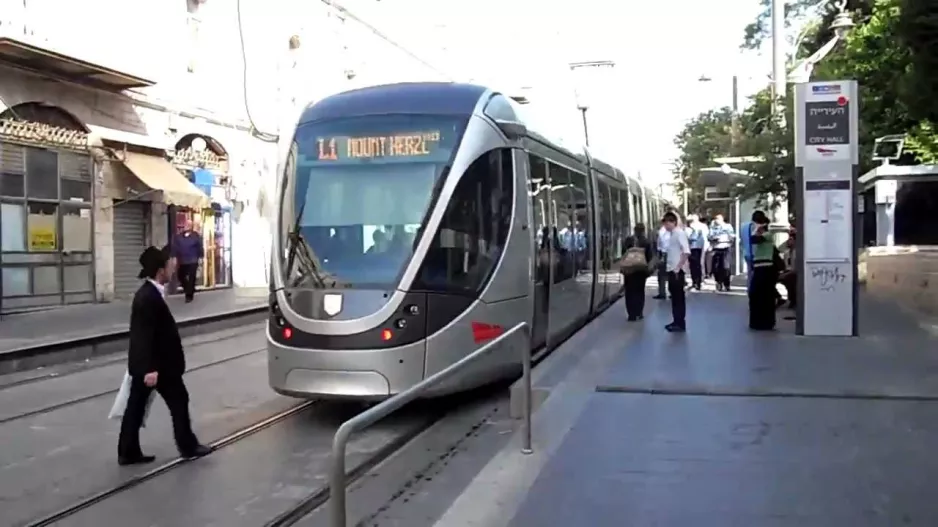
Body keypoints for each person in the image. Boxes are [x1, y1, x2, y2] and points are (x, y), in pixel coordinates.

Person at [118, 246, 213, 466]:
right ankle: (188, 446)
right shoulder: (147, 298)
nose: (173, 267)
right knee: (178, 401)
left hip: (155, 365)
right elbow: (143, 336)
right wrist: (150, 368)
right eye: (170, 264)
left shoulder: (151, 293)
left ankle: (128, 451)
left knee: (136, 406)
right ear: (161, 270)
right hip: (158, 366)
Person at [747, 211, 777, 331]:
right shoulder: (764, 235)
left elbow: (753, 239)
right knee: (756, 294)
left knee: (765, 295)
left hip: (766, 268)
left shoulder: (768, 234)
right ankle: (757, 321)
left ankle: (766, 322)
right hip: (759, 267)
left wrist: (758, 228)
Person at [662, 211, 690, 332]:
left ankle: (679, 323)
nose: (665, 227)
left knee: (678, 298)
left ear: (672, 222)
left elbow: (686, 252)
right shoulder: (673, 234)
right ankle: (676, 321)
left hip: (677, 271)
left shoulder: (679, 234)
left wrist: (678, 267)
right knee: (675, 297)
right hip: (673, 270)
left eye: (666, 224)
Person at [621, 223, 654, 321]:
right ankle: (639, 312)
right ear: (643, 231)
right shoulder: (646, 242)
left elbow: (623, 253)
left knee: (629, 292)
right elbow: (649, 257)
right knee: (639, 292)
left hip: (629, 271)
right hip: (640, 271)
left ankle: (631, 314)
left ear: (634, 230)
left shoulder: (628, 240)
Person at [171, 218, 204, 303]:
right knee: (180, 276)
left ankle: (189, 296)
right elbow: (175, 248)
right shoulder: (179, 236)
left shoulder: (195, 236)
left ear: (191, 227)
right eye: (186, 224)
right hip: (183, 260)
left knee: (191, 278)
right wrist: (174, 257)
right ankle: (189, 289)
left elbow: (200, 247)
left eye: (189, 225)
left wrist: (201, 258)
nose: (187, 226)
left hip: (193, 260)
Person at [708, 214, 735, 291]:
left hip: (725, 247)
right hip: (716, 248)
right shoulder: (712, 228)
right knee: (716, 267)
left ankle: (727, 283)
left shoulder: (727, 226)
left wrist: (727, 238)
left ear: (722, 219)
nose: (717, 220)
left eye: (718, 219)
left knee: (725, 267)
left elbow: (732, 236)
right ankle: (718, 282)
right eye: (715, 219)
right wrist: (714, 238)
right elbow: (709, 237)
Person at [686, 214, 708, 290]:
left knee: (698, 265)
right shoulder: (688, 227)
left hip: (699, 247)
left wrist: (705, 247)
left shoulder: (702, 226)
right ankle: (694, 281)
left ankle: (698, 282)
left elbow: (705, 237)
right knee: (692, 266)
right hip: (690, 248)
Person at [654, 220, 671, 300]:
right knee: (671, 274)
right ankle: (672, 292)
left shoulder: (662, 231)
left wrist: (659, 256)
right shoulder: (673, 230)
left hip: (664, 254)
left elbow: (660, 246)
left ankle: (662, 293)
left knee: (661, 275)